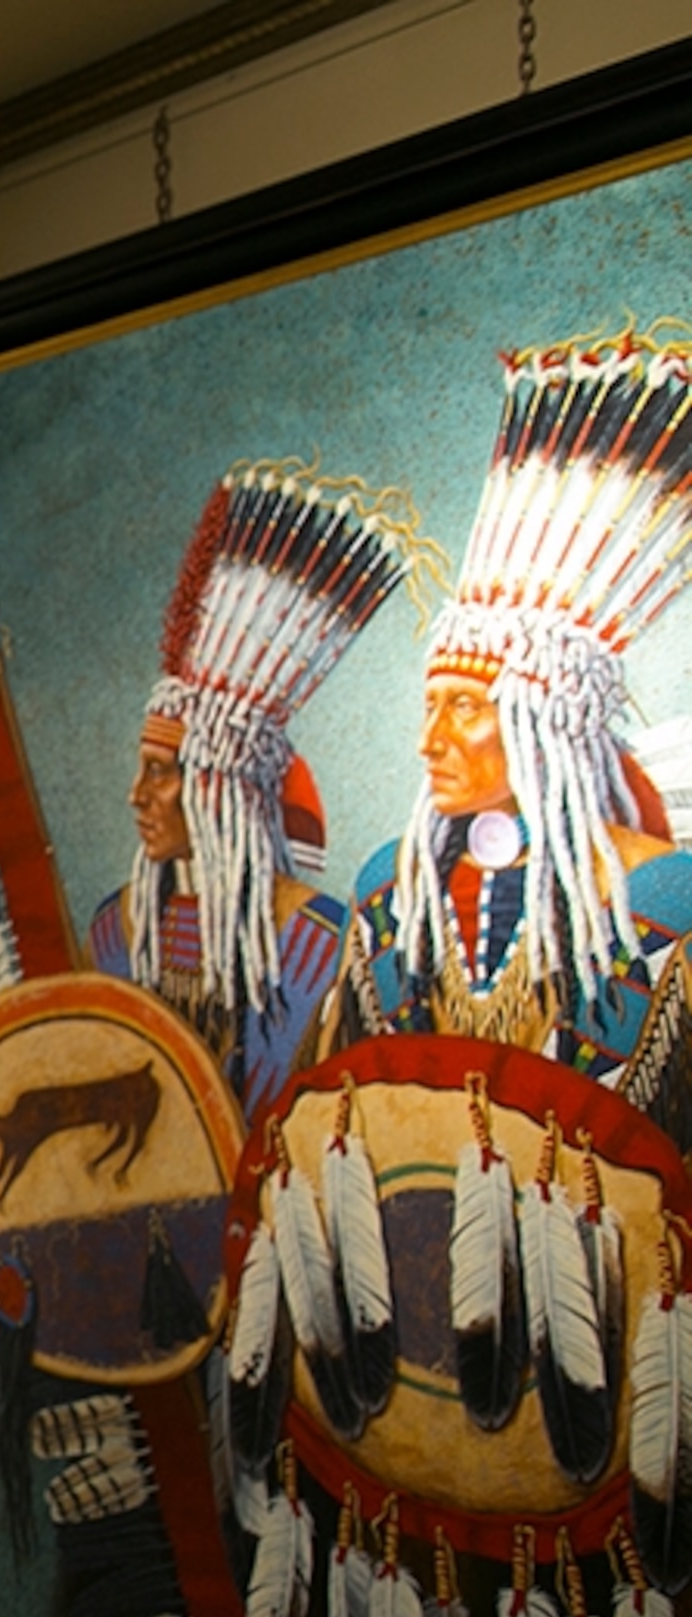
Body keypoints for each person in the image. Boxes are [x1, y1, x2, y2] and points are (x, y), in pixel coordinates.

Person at [334, 329, 692, 1085]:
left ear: (548, 723)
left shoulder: (658, 896)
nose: (430, 742)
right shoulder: (390, 894)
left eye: (464, 707)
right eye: (429, 708)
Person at [84, 460, 418, 1122]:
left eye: (161, 771)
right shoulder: (115, 931)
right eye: (141, 768)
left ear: (220, 787)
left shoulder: (318, 942)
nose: (136, 795)